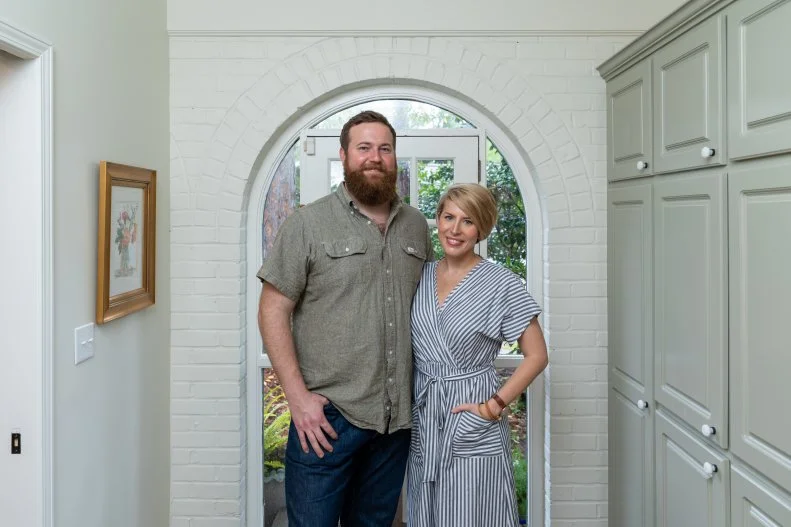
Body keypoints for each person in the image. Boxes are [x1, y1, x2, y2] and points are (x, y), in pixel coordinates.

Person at [257, 110, 433, 527]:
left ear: (394, 157)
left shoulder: (416, 226)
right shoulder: (307, 223)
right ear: (344, 155)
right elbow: (272, 310)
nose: (375, 157)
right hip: (326, 421)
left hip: (395, 423)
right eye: (364, 148)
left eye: (385, 149)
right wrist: (298, 400)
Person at [407, 183, 549, 527]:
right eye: (448, 217)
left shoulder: (501, 283)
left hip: (472, 411)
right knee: (425, 510)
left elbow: (537, 355)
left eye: (467, 221)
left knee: (474, 513)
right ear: (437, 220)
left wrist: (493, 406)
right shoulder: (419, 275)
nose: (454, 230)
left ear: (481, 228)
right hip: (426, 413)